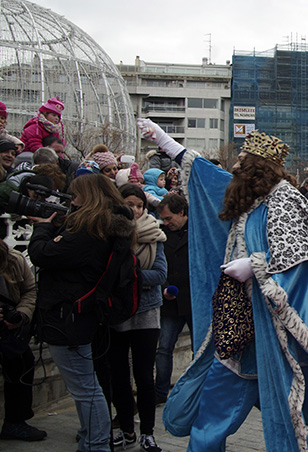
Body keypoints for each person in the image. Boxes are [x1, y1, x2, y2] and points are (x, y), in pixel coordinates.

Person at [137, 120, 308, 451]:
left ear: (256, 168)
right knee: (215, 411)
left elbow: (299, 256)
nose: (234, 166)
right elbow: (210, 179)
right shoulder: (253, 199)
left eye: (242, 162)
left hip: (275, 333)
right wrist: (166, 142)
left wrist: (255, 266)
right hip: (243, 331)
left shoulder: (285, 198)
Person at [28, 174, 136, 452]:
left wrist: (43, 228)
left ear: (88, 198)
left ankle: (97, 444)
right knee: (87, 386)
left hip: (70, 318)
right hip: (81, 315)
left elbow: (43, 254)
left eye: (75, 196)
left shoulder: (89, 231)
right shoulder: (105, 227)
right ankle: (93, 440)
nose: (71, 201)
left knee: (85, 389)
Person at [109, 184, 167, 452]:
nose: (134, 209)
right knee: (118, 375)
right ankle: (124, 428)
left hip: (146, 312)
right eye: (129, 204)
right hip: (117, 312)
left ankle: (147, 432)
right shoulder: (110, 234)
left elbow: (159, 275)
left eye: (139, 205)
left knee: (144, 376)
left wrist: (128, 277)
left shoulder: (155, 234)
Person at [0, 239, 47, 442]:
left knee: (22, 363)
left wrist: (21, 314)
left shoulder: (14, 260)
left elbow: (30, 291)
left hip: (10, 330)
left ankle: (15, 422)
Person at [155, 193, 192, 404]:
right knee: (164, 348)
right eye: (164, 220)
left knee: (200, 348)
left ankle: (198, 390)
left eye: (170, 219)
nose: (167, 223)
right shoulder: (161, 234)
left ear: (181, 212)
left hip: (192, 300)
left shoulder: (197, 232)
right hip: (170, 300)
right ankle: (160, 391)